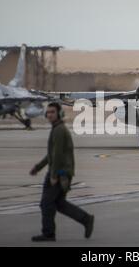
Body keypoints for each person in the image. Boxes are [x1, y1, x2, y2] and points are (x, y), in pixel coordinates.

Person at [30, 102, 94, 242]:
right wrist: (38, 167)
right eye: (48, 112)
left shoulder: (59, 130)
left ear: (59, 113)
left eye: (53, 112)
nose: (50, 114)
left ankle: (48, 234)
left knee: (46, 203)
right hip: (61, 171)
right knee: (59, 203)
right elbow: (51, 154)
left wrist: (54, 175)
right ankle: (86, 219)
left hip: (60, 173)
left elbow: (57, 155)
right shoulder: (57, 129)